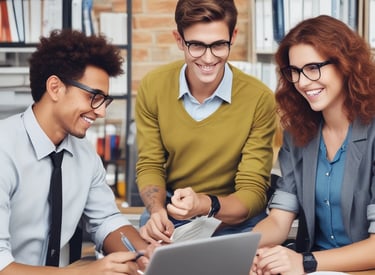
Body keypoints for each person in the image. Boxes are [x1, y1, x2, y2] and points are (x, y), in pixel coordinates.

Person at [0, 29, 150, 275]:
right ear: (55, 87)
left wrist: (146, 253)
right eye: (94, 97)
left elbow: (106, 221)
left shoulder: (85, 155)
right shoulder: (3, 149)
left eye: (104, 101)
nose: (101, 111)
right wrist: (84, 273)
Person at [135, 0, 276, 244]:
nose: (208, 59)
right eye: (197, 45)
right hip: (172, 214)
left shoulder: (259, 98)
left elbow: (253, 191)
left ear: (233, 37)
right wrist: (156, 211)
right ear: (179, 40)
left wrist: (203, 204)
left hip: (234, 218)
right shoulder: (153, 86)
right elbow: (150, 164)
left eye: (219, 45)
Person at [250, 15, 375, 274]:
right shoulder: (298, 135)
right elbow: (278, 220)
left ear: (345, 64)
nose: (303, 82)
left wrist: (305, 262)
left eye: (313, 67)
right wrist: (251, 250)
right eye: (294, 71)